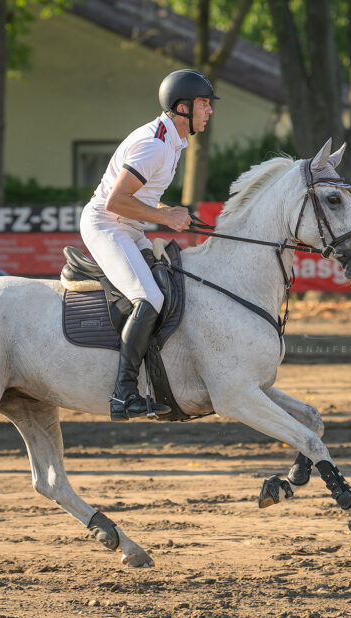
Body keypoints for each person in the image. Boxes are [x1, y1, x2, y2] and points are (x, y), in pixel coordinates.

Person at [80, 69, 218, 421]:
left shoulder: (173, 140)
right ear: (182, 107)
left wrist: (167, 210)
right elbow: (115, 200)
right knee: (151, 297)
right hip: (107, 224)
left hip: (128, 224)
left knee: (170, 283)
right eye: (204, 103)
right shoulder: (155, 144)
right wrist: (165, 218)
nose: (209, 110)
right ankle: (124, 394)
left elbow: (139, 198)